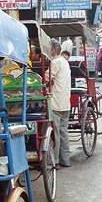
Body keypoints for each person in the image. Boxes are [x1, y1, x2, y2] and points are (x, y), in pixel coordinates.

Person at [45, 39, 71, 170]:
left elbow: (46, 78)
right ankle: (66, 160)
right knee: (63, 132)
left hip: (56, 103)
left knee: (56, 133)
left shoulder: (55, 62)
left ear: (54, 49)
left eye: (50, 48)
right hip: (65, 103)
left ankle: (55, 162)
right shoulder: (65, 62)